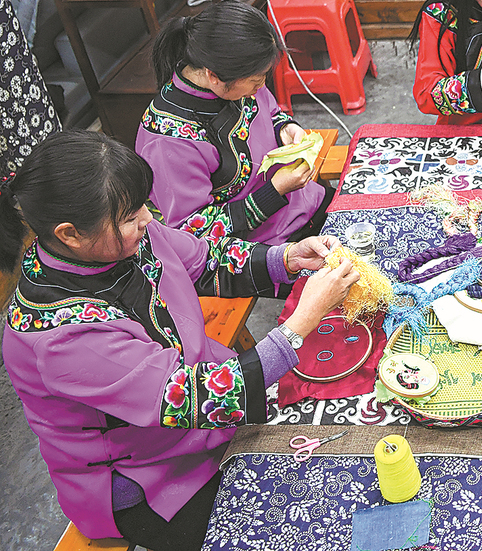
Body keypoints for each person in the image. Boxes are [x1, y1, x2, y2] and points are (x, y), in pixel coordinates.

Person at [0, 130, 359, 551]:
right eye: (130, 216)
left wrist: (286, 258)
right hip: (155, 474)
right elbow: (193, 398)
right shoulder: (59, 337)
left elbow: (205, 258)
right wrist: (299, 325)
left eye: (142, 208)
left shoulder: (122, 240)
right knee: (298, 522)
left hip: (208, 412)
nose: (148, 220)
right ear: (69, 234)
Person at [137, 0, 329, 245]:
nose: (260, 87)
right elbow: (196, 232)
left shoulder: (237, 76)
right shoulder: (167, 140)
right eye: (256, 81)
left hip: (306, 204)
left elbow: (270, 113)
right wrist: (275, 191)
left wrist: (285, 127)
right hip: (265, 249)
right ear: (214, 76)